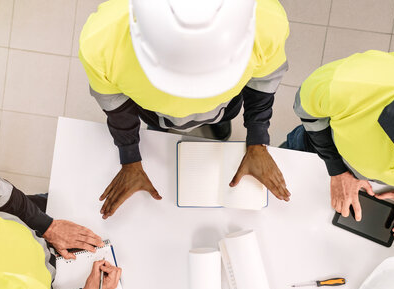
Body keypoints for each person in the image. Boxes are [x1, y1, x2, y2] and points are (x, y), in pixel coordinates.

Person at [79, 0, 292, 219]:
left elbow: (263, 83)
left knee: (221, 119)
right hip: (157, 115)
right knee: (160, 127)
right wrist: (130, 156)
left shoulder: (266, 20)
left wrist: (258, 141)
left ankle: (217, 121)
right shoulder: (101, 40)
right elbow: (116, 106)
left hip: (223, 108)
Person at [283, 50, 394, 236]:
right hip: (317, 149)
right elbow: (305, 108)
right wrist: (337, 169)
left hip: (370, 180)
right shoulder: (350, 83)